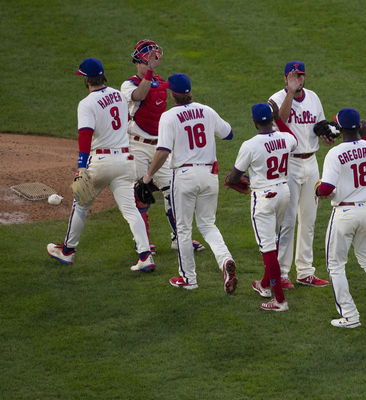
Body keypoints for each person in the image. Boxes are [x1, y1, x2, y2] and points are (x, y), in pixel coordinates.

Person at [47, 57, 155, 273]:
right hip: (125, 161)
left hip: (101, 162)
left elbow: (85, 135)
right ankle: (145, 256)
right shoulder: (118, 95)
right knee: (131, 210)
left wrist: (81, 166)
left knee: (81, 205)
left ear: (86, 79)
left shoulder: (86, 103)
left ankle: (68, 251)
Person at [141, 73, 236, 293]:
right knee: (208, 225)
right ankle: (225, 260)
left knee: (183, 229)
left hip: (183, 177)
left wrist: (147, 177)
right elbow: (229, 134)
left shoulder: (169, 116)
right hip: (209, 176)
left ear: (172, 94)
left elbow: (163, 150)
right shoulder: (207, 110)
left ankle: (189, 279)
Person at [315, 107, 366, 329]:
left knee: (336, 265)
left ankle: (350, 316)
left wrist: (317, 189)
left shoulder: (335, 153)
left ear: (339, 127)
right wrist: (365, 137)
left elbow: (326, 188)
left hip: (344, 212)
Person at [120, 39, 205, 254]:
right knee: (138, 193)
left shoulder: (158, 81)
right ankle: (143, 243)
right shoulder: (128, 84)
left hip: (159, 147)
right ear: (138, 62)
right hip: (136, 146)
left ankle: (180, 238)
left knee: (174, 191)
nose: (150, 63)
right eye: (146, 61)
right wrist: (148, 73)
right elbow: (139, 95)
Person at [227, 103, 298, 311]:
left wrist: (238, 182)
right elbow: (292, 138)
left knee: (268, 248)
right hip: (284, 192)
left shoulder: (250, 145)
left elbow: (234, 176)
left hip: (264, 197)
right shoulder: (285, 138)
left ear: (254, 121)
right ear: (272, 119)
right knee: (273, 242)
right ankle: (264, 284)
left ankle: (279, 300)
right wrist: (280, 119)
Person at [268, 61, 330, 289]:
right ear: (285, 78)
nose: (299, 80)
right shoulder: (275, 99)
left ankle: (305, 271)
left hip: (311, 162)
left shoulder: (313, 96)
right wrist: (291, 94)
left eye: (301, 76)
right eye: (294, 77)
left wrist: (325, 132)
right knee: (287, 220)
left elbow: (318, 124)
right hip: (289, 164)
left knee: (309, 219)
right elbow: (279, 122)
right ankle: (282, 273)